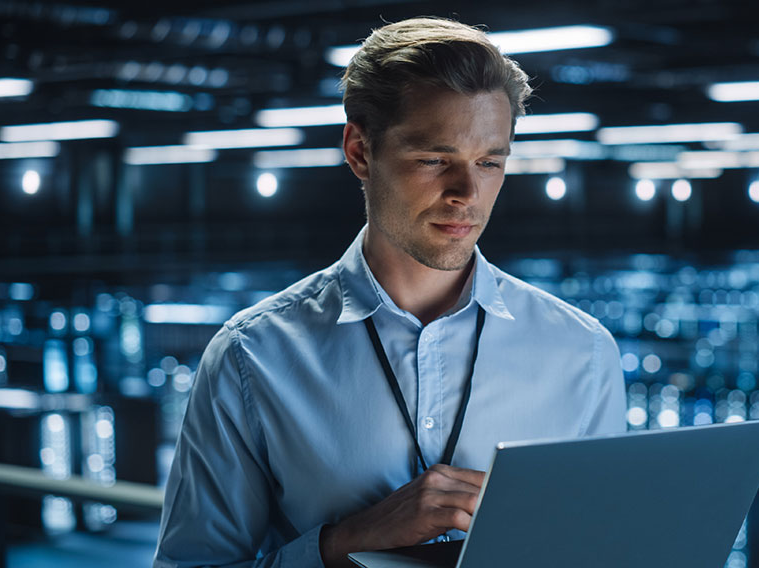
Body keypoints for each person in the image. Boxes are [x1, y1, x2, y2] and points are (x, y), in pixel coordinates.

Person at [153, 17, 627, 568]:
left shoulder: (582, 353)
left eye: (490, 163)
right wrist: (343, 545)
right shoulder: (251, 358)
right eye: (434, 159)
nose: (466, 194)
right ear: (359, 151)